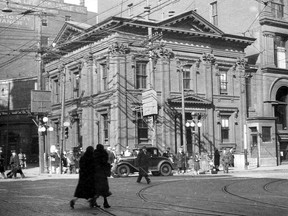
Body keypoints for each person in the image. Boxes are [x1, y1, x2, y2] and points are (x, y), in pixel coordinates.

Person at [93, 144, 112, 208]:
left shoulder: (94, 153)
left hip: (96, 173)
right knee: (104, 188)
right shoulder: (104, 153)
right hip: (102, 173)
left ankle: (94, 201)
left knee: (97, 189)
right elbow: (105, 162)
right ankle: (105, 202)